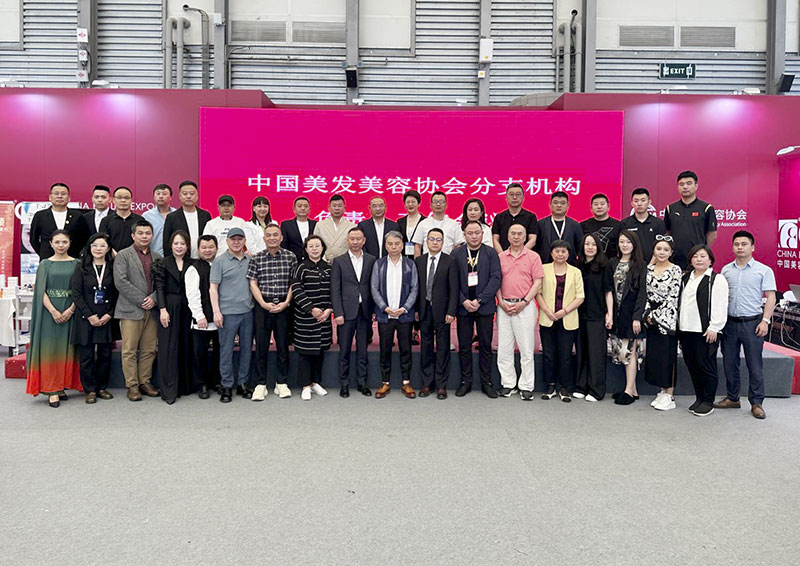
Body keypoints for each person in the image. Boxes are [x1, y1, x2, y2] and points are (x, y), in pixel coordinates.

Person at [715, 230, 777, 419]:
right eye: (736, 244)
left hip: (753, 323)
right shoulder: (726, 270)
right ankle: (733, 398)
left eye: (744, 244)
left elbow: (771, 297)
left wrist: (765, 321)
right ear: (732, 247)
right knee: (729, 363)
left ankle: (756, 403)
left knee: (754, 365)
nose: (740, 247)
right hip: (730, 324)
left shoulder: (764, 270)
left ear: (752, 247)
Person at [25, 230, 81, 407]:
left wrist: (70, 310)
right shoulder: (45, 264)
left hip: (71, 310)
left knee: (66, 349)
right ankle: (51, 389)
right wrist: (54, 311)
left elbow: (80, 291)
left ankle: (61, 385)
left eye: (64, 242)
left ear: (70, 243)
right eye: (57, 242)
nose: (61, 245)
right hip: (49, 313)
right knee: (49, 350)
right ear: (51, 244)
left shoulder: (77, 264)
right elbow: (40, 291)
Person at [452, 220, 502, 398]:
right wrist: (463, 300)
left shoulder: (491, 253)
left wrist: (480, 300)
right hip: (463, 307)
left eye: (477, 233)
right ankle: (465, 381)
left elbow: (496, 278)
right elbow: (452, 281)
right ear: (464, 235)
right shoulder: (456, 253)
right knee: (464, 346)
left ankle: (486, 382)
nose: (474, 236)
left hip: (485, 306)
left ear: (482, 234)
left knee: (485, 346)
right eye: (470, 233)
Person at [247, 223, 297, 401]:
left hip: (284, 305)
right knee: (261, 345)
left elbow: (294, 282)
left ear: (281, 238)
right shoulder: (257, 258)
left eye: (276, 235)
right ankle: (260, 384)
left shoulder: (290, 257)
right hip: (263, 306)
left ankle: (281, 382)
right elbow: (252, 283)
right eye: (268, 235)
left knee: (283, 344)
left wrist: (286, 302)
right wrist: (263, 303)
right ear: (264, 238)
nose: (272, 238)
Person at [678, 244, 729, 417]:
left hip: (706, 331)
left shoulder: (716, 279)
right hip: (686, 329)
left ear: (710, 260)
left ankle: (708, 401)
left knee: (706, 365)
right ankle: (699, 398)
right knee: (692, 365)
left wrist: (715, 327)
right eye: (695, 256)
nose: (699, 259)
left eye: (702, 256)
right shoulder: (686, 278)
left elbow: (720, 305)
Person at [113, 220, 161, 401]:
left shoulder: (157, 256)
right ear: (133, 235)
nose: (144, 236)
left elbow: (162, 281)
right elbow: (121, 281)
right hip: (130, 309)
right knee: (129, 350)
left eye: (148, 233)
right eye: (140, 233)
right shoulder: (123, 255)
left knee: (149, 349)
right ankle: (132, 385)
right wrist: (142, 300)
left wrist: (154, 298)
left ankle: (145, 382)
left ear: (152, 236)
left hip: (152, 309)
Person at [496, 224, 544, 400]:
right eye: (513, 234)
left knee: (526, 349)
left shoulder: (533, 256)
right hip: (504, 306)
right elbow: (496, 281)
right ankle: (508, 384)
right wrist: (501, 302)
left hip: (525, 306)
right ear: (508, 236)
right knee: (504, 349)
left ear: (525, 237)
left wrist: (524, 302)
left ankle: (526, 386)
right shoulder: (500, 257)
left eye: (520, 234)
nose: (516, 237)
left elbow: (537, 282)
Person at [70, 232, 118, 404]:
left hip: (106, 316)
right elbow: (76, 294)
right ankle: (89, 389)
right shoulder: (81, 267)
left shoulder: (113, 267)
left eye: (102, 246)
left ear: (108, 248)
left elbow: (117, 293)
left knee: (105, 355)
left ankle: (102, 387)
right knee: (87, 356)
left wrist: (109, 314)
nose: (98, 249)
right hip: (86, 317)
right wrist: (89, 315)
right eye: (95, 245)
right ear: (89, 247)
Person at [371, 231, 419, 399]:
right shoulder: (379, 264)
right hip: (385, 315)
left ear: (402, 246)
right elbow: (374, 288)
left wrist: (405, 308)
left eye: (397, 244)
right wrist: (384, 307)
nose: (393, 247)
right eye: (390, 244)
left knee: (406, 349)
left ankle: (406, 382)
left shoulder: (410, 264)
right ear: (385, 246)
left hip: (404, 315)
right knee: (385, 350)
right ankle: (385, 382)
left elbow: (415, 288)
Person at [536, 240, 585, 402]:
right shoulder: (543, 269)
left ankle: (564, 387)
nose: (560, 254)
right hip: (548, 317)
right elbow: (538, 292)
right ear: (551, 253)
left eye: (564, 251)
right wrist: (547, 311)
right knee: (549, 354)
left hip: (568, 318)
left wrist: (564, 311)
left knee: (565, 355)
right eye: (557, 251)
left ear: (569, 254)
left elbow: (580, 297)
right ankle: (550, 386)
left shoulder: (575, 272)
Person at [331, 227, 376, 398]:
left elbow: (374, 287)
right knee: (344, 351)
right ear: (347, 241)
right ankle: (344, 384)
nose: (355, 242)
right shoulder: (339, 261)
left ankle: (362, 383)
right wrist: (338, 313)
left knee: (363, 350)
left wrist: (373, 310)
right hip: (346, 312)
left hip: (365, 312)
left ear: (364, 240)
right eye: (352, 239)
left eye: (359, 239)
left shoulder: (371, 260)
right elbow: (335, 289)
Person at [210, 227, 254, 403]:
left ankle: (242, 383)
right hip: (227, 313)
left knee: (246, 349)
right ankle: (227, 385)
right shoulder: (219, 261)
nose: (236, 242)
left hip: (248, 312)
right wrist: (216, 311)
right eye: (233, 239)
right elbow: (213, 288)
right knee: (226, 350)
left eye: (239, 239)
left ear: (244, 241)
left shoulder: (250, 260)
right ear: (227, 241)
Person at [415, 228, 458, 400]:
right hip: (424, 309)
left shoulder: (450, 261)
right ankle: (427, 383)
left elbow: (454, 289)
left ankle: (441, 385)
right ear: (426, 241)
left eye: (438, 239)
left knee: (442, 347)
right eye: (431, 239)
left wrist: (451, 311)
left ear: (443, 242)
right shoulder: (419, 261)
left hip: (443, 311)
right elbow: (416, 288)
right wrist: (416, 310)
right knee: (425, 347)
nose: (434, 242)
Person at [153, 230, 194, 405]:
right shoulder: (162, 263)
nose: (179, 247)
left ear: (187, 246)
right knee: (168, 347)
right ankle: (169, 389)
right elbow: (159, 288)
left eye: (182, 243)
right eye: (176, 243)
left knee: (185, 345)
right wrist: (162, 309)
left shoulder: (193, 263)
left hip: (188, 308)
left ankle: (183, 386)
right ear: (170, 245)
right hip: (168, 307)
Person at [291, 235, 333, 401]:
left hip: (324, 317)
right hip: (305, 317)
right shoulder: (301, 267)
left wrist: (329, 309)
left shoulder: (328, 268)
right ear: (306, 249)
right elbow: (296, 289)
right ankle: (305, 385)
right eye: (311, 246)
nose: (315, 249)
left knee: (320, 352)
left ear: (323, 248)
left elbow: (333, 290)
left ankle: (315, 382)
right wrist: (311, 308)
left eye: (317, 246)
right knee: (305, 353)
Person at [643, 236, 682, 411]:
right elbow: (645, 293)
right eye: (659, 249)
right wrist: (647, 313)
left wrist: (657, 315)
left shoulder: (675, 270)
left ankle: (670, 394)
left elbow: (673, 296)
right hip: (651, 318)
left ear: (671, 252)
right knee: (656, 356)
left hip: (667, 319)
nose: (662, 252)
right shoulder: (649, 269)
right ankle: (661, 391)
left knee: (668, 357)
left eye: (666, 250)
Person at [609, 231, 648, 406]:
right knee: (623, 351)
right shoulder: (613, 263)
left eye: (628, 242)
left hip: (631, 315)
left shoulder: (640, 265)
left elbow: (642, 294)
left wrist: (637, 317)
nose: (624, 245)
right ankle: (633, 389)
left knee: (630, 351)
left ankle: (628, 391)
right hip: (617, 315)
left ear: (634, 244)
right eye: (621, 242)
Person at [574, 233, 613, 402]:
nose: (590, 247)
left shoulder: (605, 265)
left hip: (597, 315)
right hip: (579, 314)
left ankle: (596, 390)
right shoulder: (578, 265)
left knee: (596, 353)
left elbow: (608, 291)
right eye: (587, 244)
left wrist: (610, 314)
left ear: (598, 247)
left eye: (593, 244)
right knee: (582, 352)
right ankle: (581, 386)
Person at [185, 234, 221, 399]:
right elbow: (192, 295)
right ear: (198, 249)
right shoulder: (194, 268)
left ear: (217, 248)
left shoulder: (220, 264)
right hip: (202, 320)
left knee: (219, 353)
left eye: (211, 247)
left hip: (220, 319)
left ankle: (218, 381)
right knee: (200, 354)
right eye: (204, 247)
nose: (208, 250)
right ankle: (202, 384)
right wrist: (199, 315)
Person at [664, 170, 718, 269]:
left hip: (697, 260)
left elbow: (712, 234)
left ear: (696, 186)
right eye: (681, 184)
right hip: (675, 260)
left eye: (689, 183)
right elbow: (667, 233)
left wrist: (701, 252)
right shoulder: (670, 208)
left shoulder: (706, 208)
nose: (685, 187)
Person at [30, 182, 85, 259]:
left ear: (69, 198)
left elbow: (83, 239)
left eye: (63, 194)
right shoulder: (40, 216)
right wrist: (44, 253)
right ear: (50, 197)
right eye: (56, 193)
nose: (59, 196)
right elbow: (33, 239)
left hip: (72, 259)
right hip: (48, 259)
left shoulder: (77, 216)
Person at [163, 180, 212, 259]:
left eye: (192, 193)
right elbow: (166, 243)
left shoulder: (205, 215)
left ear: (197, 196)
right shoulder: (172, 217)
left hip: (203, 260)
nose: (188, 196)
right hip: (181, 260)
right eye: (185, 194)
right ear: (180, 196)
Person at [619, 187, 666, 263]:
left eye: (643, 200)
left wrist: (651, 265)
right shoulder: (625, 223)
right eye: (636, 201)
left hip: (653, 264)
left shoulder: (658, 223)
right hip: (631, 264)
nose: (639, 204)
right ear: (632, 203)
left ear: (649, 202)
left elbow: (661, 246)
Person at [412, 191, 465, 256]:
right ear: (430, 205)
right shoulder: (423, 224)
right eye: (435, 201)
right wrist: (418, 261)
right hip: (427, 261)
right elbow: (418, 246)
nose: (438, 204)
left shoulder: (454, 224)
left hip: (448, 260)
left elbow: (459, 245)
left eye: (441, 201)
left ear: (446, 205)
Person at [536, 191, 583, 265]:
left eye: (563, 203)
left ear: (568, 205)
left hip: (569, 266)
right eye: (555, 202)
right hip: (545, 265)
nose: (559, 205)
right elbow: (536, 247)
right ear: (550, 204)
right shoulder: (540, 224)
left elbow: (580, 248)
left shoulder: (575, 225)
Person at [492, 182, 538, 253]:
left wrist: (519, 254)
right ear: (506, 197)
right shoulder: (499, 217)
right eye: (511, 194)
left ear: (523, 197)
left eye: (518, 194)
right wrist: (503, 255)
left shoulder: (531, 217)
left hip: (525, 256)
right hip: (503, 257)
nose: (514, 197)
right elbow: (495, 240)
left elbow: (532, 240)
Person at [99, 186, 144, 253]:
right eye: (119, 197)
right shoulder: (106, 221)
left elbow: (142, 240)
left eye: (126, 198)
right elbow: (103, 241)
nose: (123, 200)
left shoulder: (139, 220)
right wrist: (113, 254)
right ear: (113, 200)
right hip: (111, 257)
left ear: (131, 200)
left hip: (134, 256)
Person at [314, 194, 355, 263]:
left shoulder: (352, 226)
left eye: (340, 206)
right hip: (325, 262)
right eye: (334, 206)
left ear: (344, 208)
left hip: (345, 262)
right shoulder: (320, 225)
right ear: (329, 208)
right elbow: (316, 244)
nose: (337, 208)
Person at [580, 193, 621, 259]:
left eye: (602, 204)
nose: (599, 207)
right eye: (596, 204)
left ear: (608, 206)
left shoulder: (618, 225)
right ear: (591, 208)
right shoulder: (583, 225)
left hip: (611, 263)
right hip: (589, 263)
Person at [142, 183, 176, 256]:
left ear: (170, 197)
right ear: (154, 197)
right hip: (152, 256)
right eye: (158, 194)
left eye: (164, 194)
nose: (161, 196)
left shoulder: (177, 214)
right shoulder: (146, 216)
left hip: (174, 256)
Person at [281, 196, 316, 260]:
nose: (303, 208)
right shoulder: (286, 225)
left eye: (306, 206)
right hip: (292, 260)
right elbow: (284, 245)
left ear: (309, 209)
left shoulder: (316, 224)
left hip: (312, 260)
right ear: (294, 209)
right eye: (299, 206)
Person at [397, 189, 426, 258]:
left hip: (420, 257)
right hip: (403, 258)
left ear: (419, 203)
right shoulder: (400, 221)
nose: (410, 204)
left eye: (413, 202)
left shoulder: (425, 221)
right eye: (408, 202)